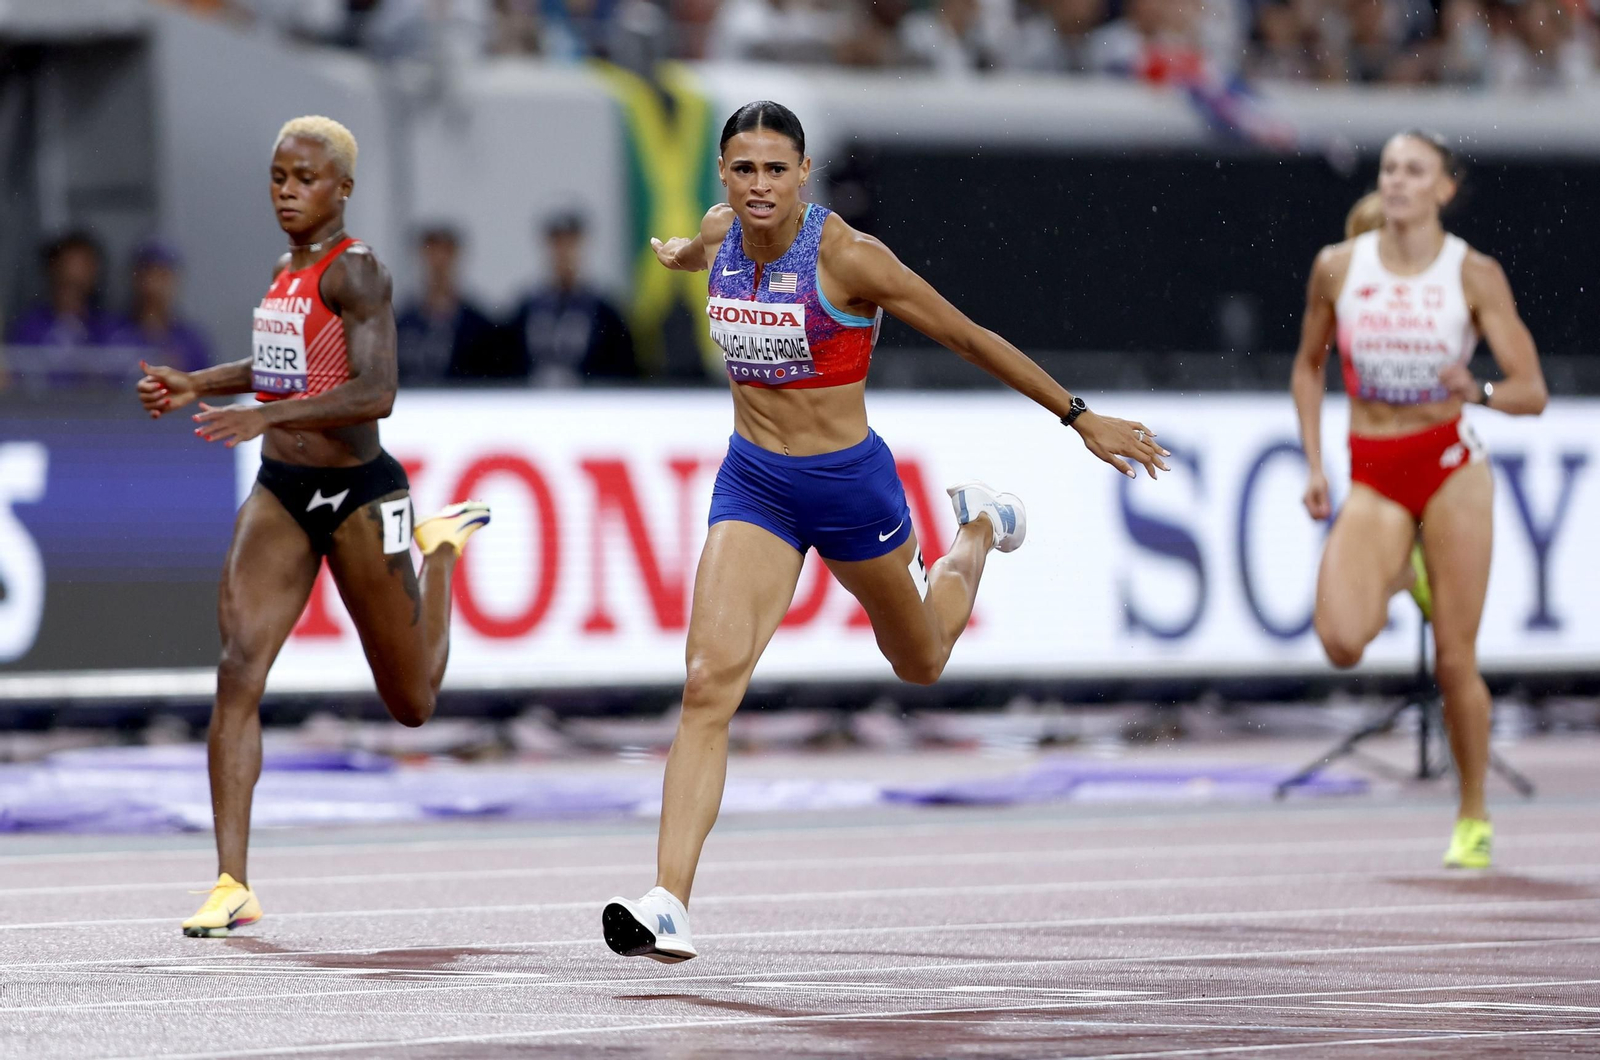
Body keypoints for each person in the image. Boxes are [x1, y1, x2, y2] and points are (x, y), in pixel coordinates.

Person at [601, 100, 1168, 963]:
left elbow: (968, 338)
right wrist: (681, 253)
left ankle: (979, 528)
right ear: (723, 174)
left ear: (804, 175)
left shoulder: (850, 259)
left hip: (848, 485)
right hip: (753, 481)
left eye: (775, 170)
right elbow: (699, 249)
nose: (758, 186)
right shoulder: (719, 232)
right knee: (708, 683)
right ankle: (669, 900)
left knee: (922, 660)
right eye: (743, 169)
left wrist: (1078, 415)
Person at [136, 115, 491, 938]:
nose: (287, 193)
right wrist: (197, 382)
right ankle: (232, 880)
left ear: (343, 190)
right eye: (278, 178)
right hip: (284, 492)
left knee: (412, 702)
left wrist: (265, 418)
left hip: (361, 494)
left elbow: (377, 392)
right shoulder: (284, 270)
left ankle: (438, 553)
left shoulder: (359, 270)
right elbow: (283, 366)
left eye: (304, 179)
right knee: (238, 667)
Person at [1291, 131, 1547, 872]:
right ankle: (1405, 568)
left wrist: (1483, 391)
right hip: (1374, 470)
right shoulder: (1338, 268)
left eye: (1415, 170)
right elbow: (1308, 371)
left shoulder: (1474, 274)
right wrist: (1314, 464)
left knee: (1454, 660)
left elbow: (1532, 391)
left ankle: (1472, 811)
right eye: (1390, 169)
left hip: (1449, 467)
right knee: (1341, 641)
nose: (1398, 181)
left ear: (1444, 189)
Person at [506, 211, 640, 385]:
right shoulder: (525, 310)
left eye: (570, 243)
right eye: (558, 243)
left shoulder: (606, 313)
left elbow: (622, 370)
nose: (564, 252)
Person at [6, 232, 124, 384]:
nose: (72, 271)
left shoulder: (108, 328)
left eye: (83, 263)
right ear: (52, 268)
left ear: (94, 271)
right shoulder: (28, 327)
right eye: (66, 262)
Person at [394, 226, 501, 383]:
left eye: (445, 252)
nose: (438, 262)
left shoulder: (480, 329)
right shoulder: (401, 324)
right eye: (431, 253)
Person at [109, 241, 214, 375]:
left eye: (163, 275)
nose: (155, 284)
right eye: (148, 273)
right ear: (135, 278)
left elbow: (209, 389)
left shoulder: (192, 341)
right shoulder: (112, 333)